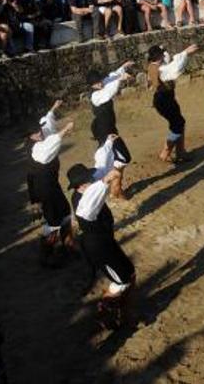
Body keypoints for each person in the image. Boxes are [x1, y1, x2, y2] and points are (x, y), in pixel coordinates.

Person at [68, 136, 136, 330]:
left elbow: (101, 165)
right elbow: (87, 206)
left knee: (129, 272)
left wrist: (108, 143)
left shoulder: (88, 188)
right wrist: (106, 180)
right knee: (122, 279)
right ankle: (105, 312)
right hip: (98, 247)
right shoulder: (83, 203)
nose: (92, 180)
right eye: (88, 181)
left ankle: (124, 312)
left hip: (105, 241)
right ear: (80, 186)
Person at [26, 101, 77, 267]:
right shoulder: (37, 150)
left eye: (38, 130)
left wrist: (54, 108)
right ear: (29, 137)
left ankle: (68, 244)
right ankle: (46, 254)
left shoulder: (42, 133)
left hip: (51, 184)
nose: (38, 134)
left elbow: (46, 122)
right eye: (34, 133)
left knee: (64, 211)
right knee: (53, 218)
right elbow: (50, 144)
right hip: (44, 188)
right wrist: (66, 130)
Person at [86, 62, 135, 199]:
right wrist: (121, 79)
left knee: (119, 158)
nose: (100, 84)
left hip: (109, 128)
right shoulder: (96, 97)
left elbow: (110, 77)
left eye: (100, 81)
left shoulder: (102, 84)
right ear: (91, 86)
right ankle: (115, 188)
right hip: (105, 131)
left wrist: (123, 67)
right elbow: (109, 92)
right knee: (123, 158)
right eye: (96, 83)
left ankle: (115, 187)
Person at [147, 44, 199, 163]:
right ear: (159, 57)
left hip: (165, 99)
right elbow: (170, 70)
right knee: (178, 124)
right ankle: (166, 151)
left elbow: (167, 60)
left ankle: (180, 151)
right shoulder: (157, 69)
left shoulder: (155, 65)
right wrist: (185, 52)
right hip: (164, 100)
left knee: (178, 122)